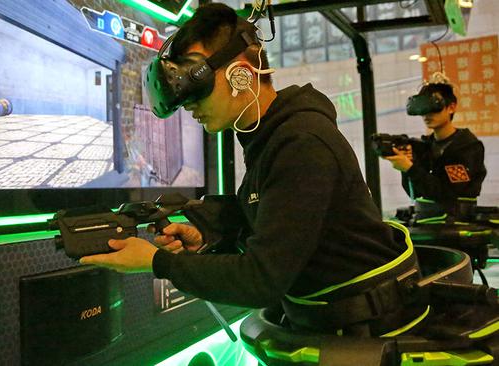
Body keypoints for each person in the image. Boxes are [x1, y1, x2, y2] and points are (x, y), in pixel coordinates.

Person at [81, 3, 421, 336]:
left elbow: (263, 280)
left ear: (240, 74)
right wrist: (210, 234)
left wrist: (158, 262)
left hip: (369, 333)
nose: (190, 108)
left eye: (197, 91)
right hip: (333, 321)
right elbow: (278, 216)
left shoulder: (300, 143)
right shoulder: (270, 137)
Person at [384, 77, 487, 215]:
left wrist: (410, 168)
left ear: (451, 107)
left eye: (434, 108)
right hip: (427, 220)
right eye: (423, 109)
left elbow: (447, 193)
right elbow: (416, 193)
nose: (427, 115)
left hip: (458, 225)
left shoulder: (467, 146)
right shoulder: (426, 146)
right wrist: (407, 167)